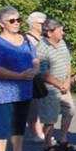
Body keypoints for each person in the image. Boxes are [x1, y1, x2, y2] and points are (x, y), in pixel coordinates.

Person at [0, 6, 38, 151]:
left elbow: (35, 60)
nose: (16, 23)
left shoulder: (26, 40)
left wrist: (34, 71)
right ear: (1, 23)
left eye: (18, 20)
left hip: (23, 90)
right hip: (3, 91)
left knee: (19, 123)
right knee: (3, 123)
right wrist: (19, 76)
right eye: (12, 21)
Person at [35, 19, 76, 151]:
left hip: (64, 84)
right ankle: (48, 145)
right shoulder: (41, 48)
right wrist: (58, 84)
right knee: (50, 118)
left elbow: (67, 63)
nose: (63, 33)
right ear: (49, 32)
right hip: (50, 88)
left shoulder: (62, 43)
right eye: (60, 31)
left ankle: (63, 140)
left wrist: (67, 81)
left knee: (70, 110)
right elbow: (42, 73)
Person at [24, 12, 47, 141]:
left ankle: (42, 132)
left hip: (45, 75)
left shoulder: (44, 39)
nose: (44, 26)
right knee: (33, 106)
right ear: (33, 24)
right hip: (33, 75)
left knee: (43, 106)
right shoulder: (27, 39)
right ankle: (35, 133)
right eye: (41, 23)